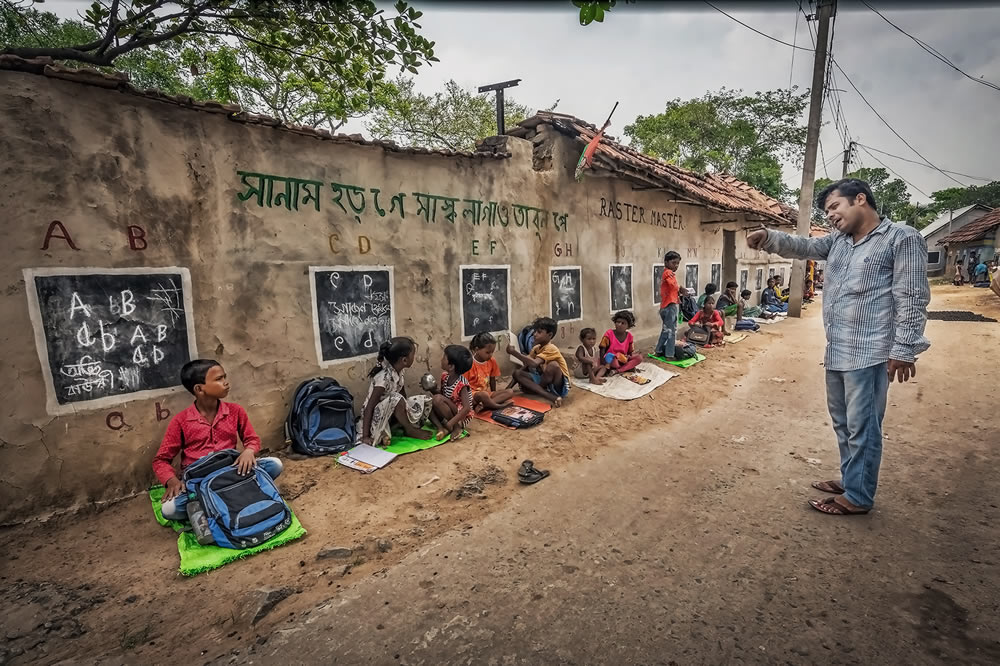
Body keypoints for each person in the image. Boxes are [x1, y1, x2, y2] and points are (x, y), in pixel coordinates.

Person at [747, 178, 930, 516]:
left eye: (834, 207)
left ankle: (859, 497)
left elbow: (912, 296)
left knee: (864, 426)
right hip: (838, 349)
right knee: (844, 423)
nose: (830, 215)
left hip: (871, 352)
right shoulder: (840, 242)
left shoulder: (900, 238)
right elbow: (803, 246)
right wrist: (770, 238)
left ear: (860, 199)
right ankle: (851, 479)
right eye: (827, 210)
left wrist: (904, 348)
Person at [154, 359, 283, 521]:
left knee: (275, 464)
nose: (226, 382)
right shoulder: (181, 421)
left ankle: (218, 501)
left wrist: (249, 451)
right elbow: (160, 460)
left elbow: (252, 439)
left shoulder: (235, 411)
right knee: (169, 509)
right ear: (199, 389)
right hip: (199, 481)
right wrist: (171, 481)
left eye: (224, 377)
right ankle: (227, 497)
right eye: (219, 379)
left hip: (233, 471)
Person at [357, 337, 432, 446]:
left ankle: (401, 427)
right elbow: (369, 408)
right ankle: (409, 430)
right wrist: (365, 436)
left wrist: (407, 412)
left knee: (422, 400)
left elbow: (403, 396)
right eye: (413, 355)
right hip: (376, 420)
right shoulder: (383, 379)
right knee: (396, 399)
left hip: (389, 415)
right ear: (404, 360)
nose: (414, 358)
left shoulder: (400, 373)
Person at [507, 317, 570, 407]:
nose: (535, 334)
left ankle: (549, 396)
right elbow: (526, 365)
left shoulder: (551, 348)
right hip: (544, 381)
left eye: (539, 332)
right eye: (535, 331)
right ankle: (543, 391)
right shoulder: (536, 348)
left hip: (558, 386)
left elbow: (534, 363)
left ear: (550, 335)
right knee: (517, 372)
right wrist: (508, 388)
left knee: (553, 365)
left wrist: (514, 353)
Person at [430, 344, 474, 440]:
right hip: (450, 410)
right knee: (428, 404)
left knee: (437, 399)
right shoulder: (445, 377)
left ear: (451, 367)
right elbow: (443, 396)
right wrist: (432, 389)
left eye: (444, 358)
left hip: (461, 416)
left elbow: (467, 409)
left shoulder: (462, 384)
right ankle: (441, 428)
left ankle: (455, 427)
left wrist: (451, 423)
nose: (441, 360)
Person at [465, 332, 514, 412]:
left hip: (486, 394)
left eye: (492, 352)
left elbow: (492, 379)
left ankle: (484, 405)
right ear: (477, 350)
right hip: (474, 396)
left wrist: (493, 392)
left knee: (510, 392)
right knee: (483, 395)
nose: (490, 355)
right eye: (487, 352)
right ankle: (496, 406)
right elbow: (464, 386)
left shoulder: (492, 361)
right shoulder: (469, 364)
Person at [654, 251, 682, 360]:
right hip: (670, 306)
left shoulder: (666, 273)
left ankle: (659, 350)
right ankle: (669, 354)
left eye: (677, 263)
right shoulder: (668, 273)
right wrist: (681, 289)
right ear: (666, 262)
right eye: (673, 263)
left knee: (666, 330)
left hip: (665, 305)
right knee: (672, 331)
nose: (676, 266)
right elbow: (673, 286)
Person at [600, 310, 643, 374]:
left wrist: (629, 357)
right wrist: (604, 364)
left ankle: (617, 371)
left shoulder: (629, 336)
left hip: (623, 358)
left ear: (628, 326)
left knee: (639, 357)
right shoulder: (609, 333)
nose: (619, 325)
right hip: (611, 359)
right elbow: (602, 349)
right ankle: (625, 368)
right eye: (618, 322)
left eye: (623, 323)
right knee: (615, 362)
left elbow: (630, 353)